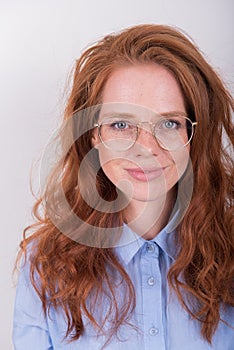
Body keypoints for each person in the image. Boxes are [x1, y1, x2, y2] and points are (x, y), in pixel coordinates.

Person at [13, 24, 233, 350]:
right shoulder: (45, 264)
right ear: (93, 134)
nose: (146, 147)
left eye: (169, 123)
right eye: (120, 124)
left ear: (192, 135)